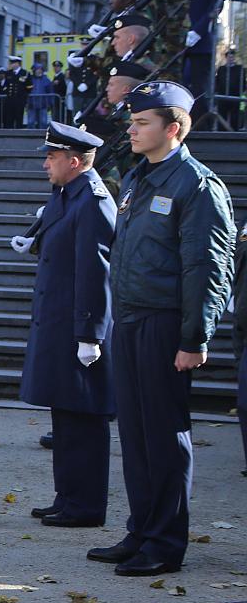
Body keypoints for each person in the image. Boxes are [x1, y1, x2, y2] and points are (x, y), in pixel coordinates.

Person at [90, 81, 238, 577]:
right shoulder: (136, 177)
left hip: (165, 322)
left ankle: (165, 542)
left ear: (172, 128)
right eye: (131, 122)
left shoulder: (196, 185)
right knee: (134, 433)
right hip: (130, 318)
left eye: (142, 123)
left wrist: (194, 338)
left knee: (164, 433)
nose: (131, 130)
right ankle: (141, 529)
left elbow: (207, 268)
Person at [16, 121, 117, 528]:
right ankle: (68, 496)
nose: (45, 164)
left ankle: (87, 505)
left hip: (79, 326)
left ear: (74, 162)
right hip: (58, 321)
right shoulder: (67, 194)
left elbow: (95, 272)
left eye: (52, 157)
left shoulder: (92, 201)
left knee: (85, 417)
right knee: (65, 413)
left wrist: (90, 333)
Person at [184, 0, 224, 126]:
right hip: (202, 37)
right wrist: (198, 31)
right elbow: (217, 5)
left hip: (173, 35)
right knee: (200, 86)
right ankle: (200, 126)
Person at [26, 61, 57, 130]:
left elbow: (50, 92)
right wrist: (26, 102)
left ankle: (42, 137)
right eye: (37, 70)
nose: (39, 71)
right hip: (32, 104)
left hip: (43, 104)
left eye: (40, 70)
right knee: (31, 122)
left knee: (43, 122)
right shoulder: (30, 80)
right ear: (34, 70)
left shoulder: (46, 80)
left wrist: (50, 103)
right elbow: (26, 90)